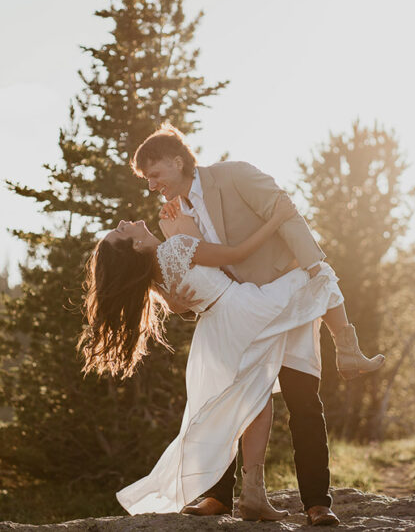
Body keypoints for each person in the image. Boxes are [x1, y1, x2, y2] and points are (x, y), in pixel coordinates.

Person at [131, 123, 384, 526]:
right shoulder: (178, 214)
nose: (153, 186)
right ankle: (219, 497)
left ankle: (318, 503)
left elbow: (283, 212)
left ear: (177, 160)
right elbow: (205, 268)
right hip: (246, 314)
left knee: (303, 401)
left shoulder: (235, 174)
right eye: (147, 180)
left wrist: (314, 266)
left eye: (155, 174)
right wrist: (174, 231)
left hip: (284, 296)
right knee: (235, 399)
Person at [80, 201, 360, 519]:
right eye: (121, 230)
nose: (122, 221)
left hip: (215, 331)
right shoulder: (175, 249)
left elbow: (181, 303)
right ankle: (348, 347)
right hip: (241, 311)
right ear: (136, 245)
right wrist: (277, 219)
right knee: (318, 275)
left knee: (232, 405)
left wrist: (178, 229)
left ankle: (239, 495)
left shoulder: (154, 279)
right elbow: (236, 256)